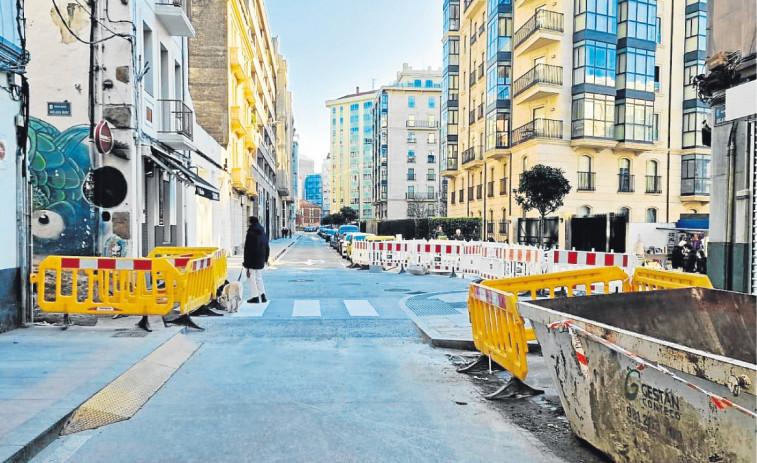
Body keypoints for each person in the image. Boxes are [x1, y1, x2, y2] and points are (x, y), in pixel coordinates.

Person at [244, 216, 270, 303]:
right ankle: (263, 295)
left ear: (251, 222)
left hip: (252, 260)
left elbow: (248, 249)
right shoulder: (262, 231)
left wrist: (246, 262)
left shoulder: (251, 233)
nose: (246, 222)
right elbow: (267, 246)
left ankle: (255, 297)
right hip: (260, 259)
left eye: (247, 221)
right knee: (258, 278)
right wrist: (265, 258)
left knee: (250, 278)